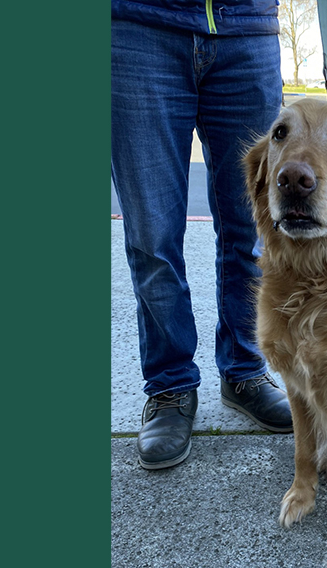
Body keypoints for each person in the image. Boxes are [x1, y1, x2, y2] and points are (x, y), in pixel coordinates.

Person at [111, 0, 292, 470]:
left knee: (253, 232)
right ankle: (170, 386)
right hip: (139, 25)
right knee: (152, 236)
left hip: (246, 29)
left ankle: (244, 370)